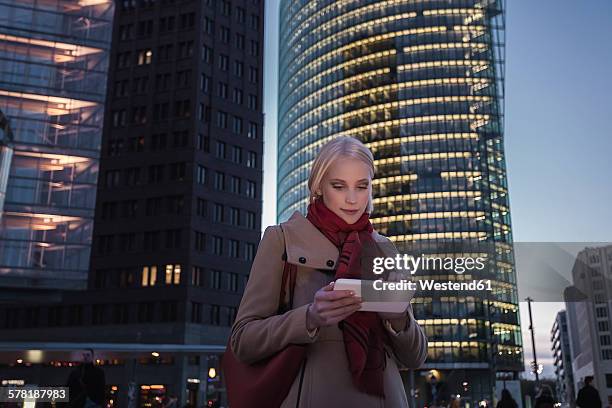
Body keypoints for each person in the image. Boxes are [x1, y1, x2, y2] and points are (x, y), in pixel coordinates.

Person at [230, 137, 428, 407]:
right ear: (318, 186)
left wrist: (398, 318)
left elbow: (415, 357)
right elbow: (243, 341)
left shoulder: (384, 249)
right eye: (339, 186)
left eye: (362, 186)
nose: (351, 199)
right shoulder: (282, 239)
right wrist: (309, 317)